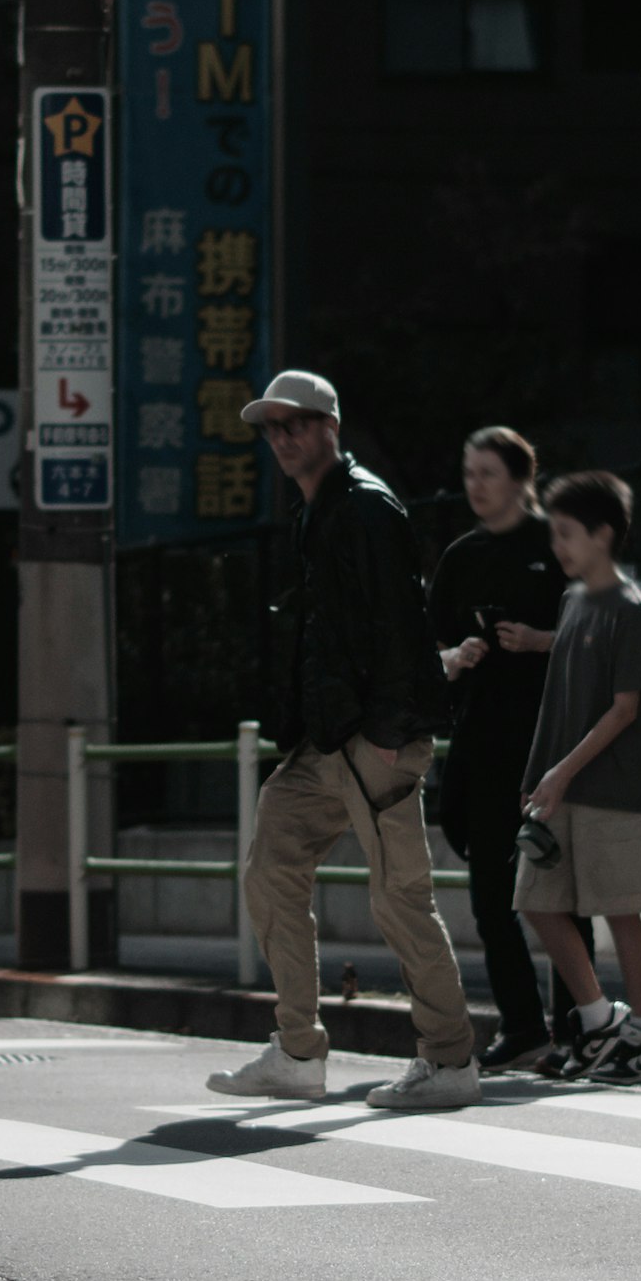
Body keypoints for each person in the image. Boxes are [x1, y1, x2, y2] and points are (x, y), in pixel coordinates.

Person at [210, 369, 484, 1109]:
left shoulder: (363, 508)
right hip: (326, 740)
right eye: (271, 426)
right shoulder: (320, 512)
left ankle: (450, 1060)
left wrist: (391, 732)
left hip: (373, 737)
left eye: (295, 422)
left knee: (400, 898)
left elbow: (401, 623)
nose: (282, 437)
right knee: (270, 869)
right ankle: (298, 1051)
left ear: (332, 426)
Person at [432, 425, 590, 1072]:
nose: (475, 485)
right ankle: (523, 1025)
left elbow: (602, 632)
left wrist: (539, 639)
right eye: (469, 473)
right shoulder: (461, 556)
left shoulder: (554, 544)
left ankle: (580, 1023)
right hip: (482, 744)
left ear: (522, 479)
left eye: (488, 473)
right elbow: (427, 644)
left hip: (550, 744)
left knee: (559, 888)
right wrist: (453, 656)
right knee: (492, 896)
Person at [515, 471, 641, 1081]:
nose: (557, 545)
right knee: (537, 901)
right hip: (560, 785)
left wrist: (557, 772)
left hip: (612, 790)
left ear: (603, 534)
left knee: (620, 911)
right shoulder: (574, 600)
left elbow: (625, 708)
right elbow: (558, 699)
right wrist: (539, 776)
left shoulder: (631, 610)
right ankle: (601, 1020)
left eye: (567, 533)